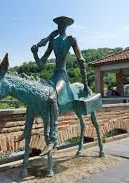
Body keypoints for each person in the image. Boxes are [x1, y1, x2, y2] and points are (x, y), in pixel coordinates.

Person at [31, 16, 89, 155]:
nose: (60, 26)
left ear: (67, 25)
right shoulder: (53, 41)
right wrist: (35, 54)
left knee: (52, 97)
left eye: (63, 23)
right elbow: (41, 64)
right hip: (53, 76)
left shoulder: (71, 40)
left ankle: (54, 137)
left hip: (62, 76)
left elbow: (81, 60)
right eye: (59, 23)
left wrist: (85, 84)